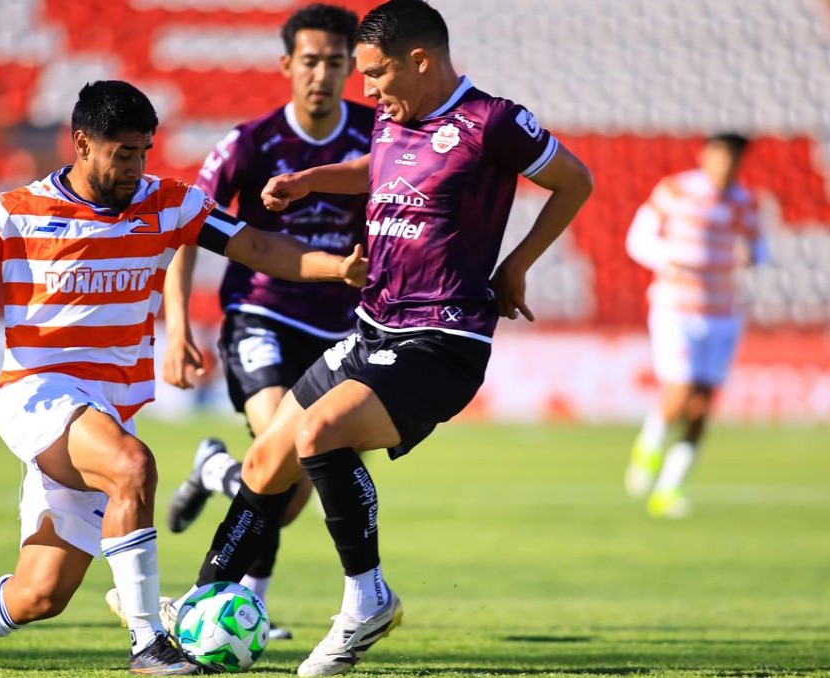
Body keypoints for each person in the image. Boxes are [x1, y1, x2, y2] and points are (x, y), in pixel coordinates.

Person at [0, 80, 365, 674]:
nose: (135, 166)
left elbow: (257, 248)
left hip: (103, 412)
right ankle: (149, 642)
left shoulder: (169, 202)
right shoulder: (19, 212)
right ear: (81, 142)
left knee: (38, 596)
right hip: (38, 394)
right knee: (133, 465)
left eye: (143, 152)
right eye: (122, 153)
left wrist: (340, 268)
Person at [166, 1, 594, 675]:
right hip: (371, 331)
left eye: (375, 74)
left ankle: (366, 600)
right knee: (265, 461)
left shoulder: (493, 123)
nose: (366, 91)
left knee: (319, 435)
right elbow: (377, 170)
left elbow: (574, 180)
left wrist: (517, 264)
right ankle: (198, 608)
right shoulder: (395, 122)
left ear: (419, 61)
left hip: (441, 342)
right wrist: (309, 182)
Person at [157, 3, 372, 639]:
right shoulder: (250, 144)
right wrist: (177, 329)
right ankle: (249, 602)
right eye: (311, 61)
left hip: (342, 329)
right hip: (262, 318)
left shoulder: (376, 138)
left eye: (337, 62)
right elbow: (184, 229)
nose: (323, 74)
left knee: (297, 473)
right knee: (282, 446)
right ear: (287, 64)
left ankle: (212, 471)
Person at [623, 132, 766, 519]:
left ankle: (669, 489)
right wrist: (670, 257)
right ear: (706, 156)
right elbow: (637, 239)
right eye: (718, 157)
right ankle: (649, 445)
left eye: (732, 160)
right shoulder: (675, 191)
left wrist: (751, 256)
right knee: (680, 392)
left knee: (702, 407)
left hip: (722, 312)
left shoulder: (745, 201)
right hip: (676, 307)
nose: (724, 166)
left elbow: (758, 247)